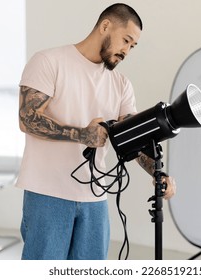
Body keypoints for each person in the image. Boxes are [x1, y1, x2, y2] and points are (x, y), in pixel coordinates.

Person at [16, 3, 176, 260]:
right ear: (105, 26)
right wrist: (82, 134)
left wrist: (158, 173)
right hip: (47, 194)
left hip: (95, 199)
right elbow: (27, 119)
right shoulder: (48, 61)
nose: (126, 51)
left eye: (132, 46)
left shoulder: (121, 84)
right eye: (125, 40)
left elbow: (131, 139)